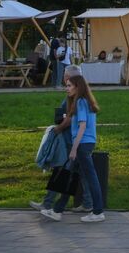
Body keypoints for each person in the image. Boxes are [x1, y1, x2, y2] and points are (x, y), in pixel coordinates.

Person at [40, 75, 106, 223]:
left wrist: (74, 148)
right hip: (85, 143)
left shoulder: (81, 102)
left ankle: (98, 212)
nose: (67, 88)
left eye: (69, 85)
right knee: (68, 175)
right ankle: (57, 210)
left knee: (90, 178)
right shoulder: (84, 101)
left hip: (82, 145)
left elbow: (82, 126)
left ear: (78, 87)